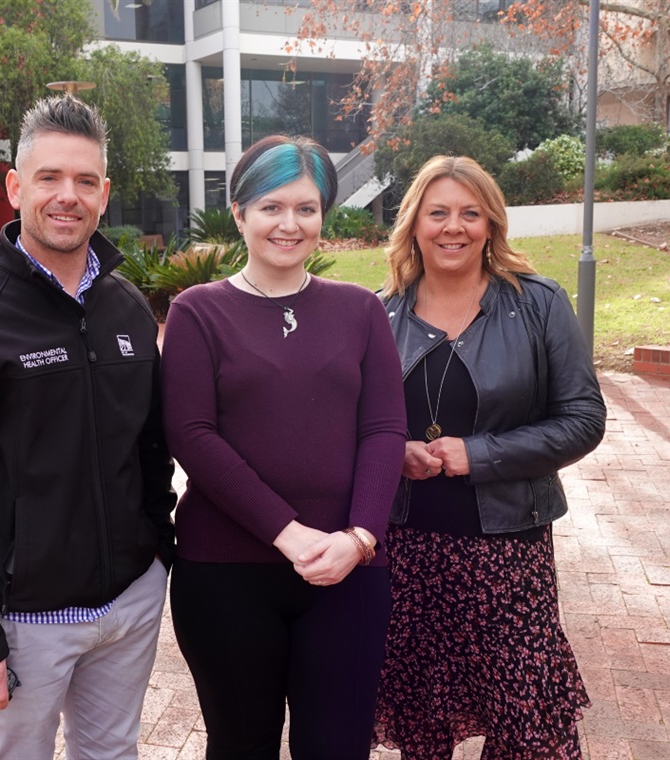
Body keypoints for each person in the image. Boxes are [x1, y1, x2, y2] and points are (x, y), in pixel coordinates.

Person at [0, 95, 176, 760]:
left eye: (85, 181)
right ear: (15, 186)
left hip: (129, 604)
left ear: (105, 194)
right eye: (50, 178)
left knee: (113, 751)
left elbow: (151, 447)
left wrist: (157, 549)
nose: (68, 196)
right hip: (25, 621)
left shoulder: (128, 310)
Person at [161, 135, 407, 759]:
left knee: (338, 747)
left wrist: (359, 539)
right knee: (242, 746)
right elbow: (192, 434)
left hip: (347, 571)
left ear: (324, 215)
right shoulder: (198, 313)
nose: (289, 224)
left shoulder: (360, 311)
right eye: (271, 207)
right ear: (239, 214)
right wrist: (287, 532)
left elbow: (384, 429)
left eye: (306, 208)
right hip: (225, 577)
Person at [373, 155, 606, 758]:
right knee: (424, 729)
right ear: (415, 224)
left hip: (509, 553)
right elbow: (357, 425)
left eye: (470, 213)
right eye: (439, 212)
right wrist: (392, 452)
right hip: (410, 553)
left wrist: (476, 455)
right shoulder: (380, 313)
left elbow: (583, 420)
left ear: (491, 225)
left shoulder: (538, 304)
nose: (454, 227)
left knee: (527, 725)